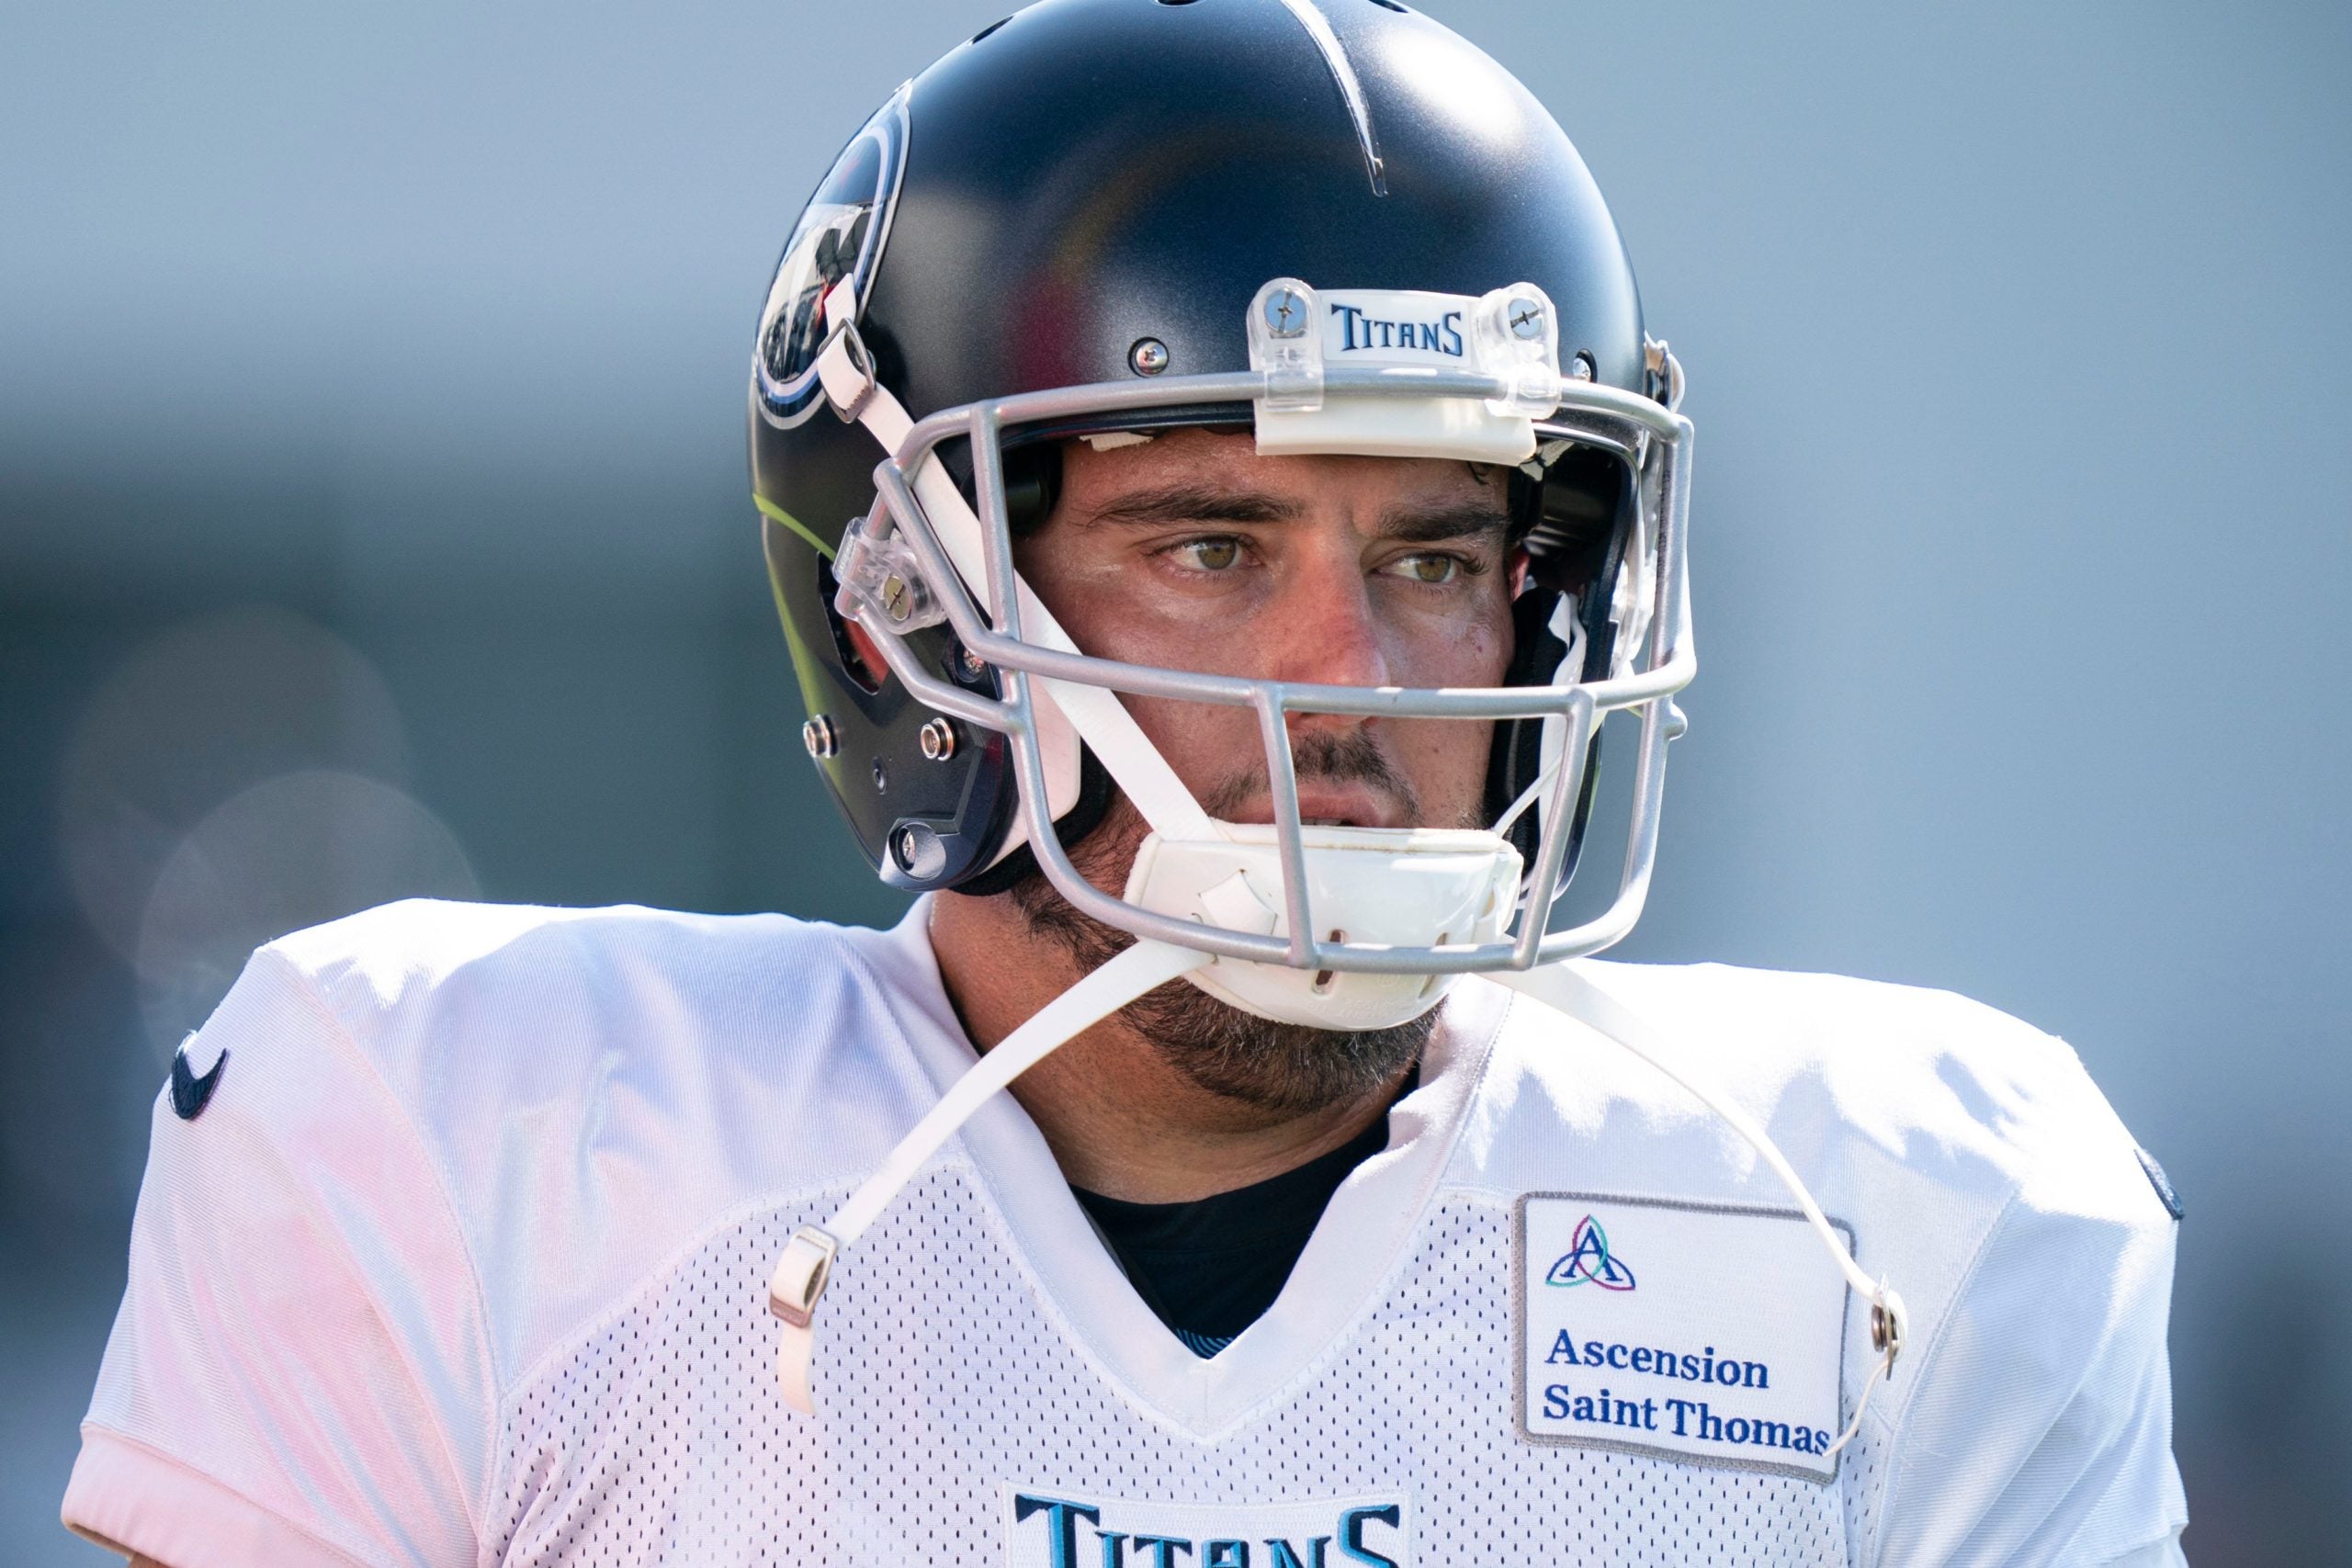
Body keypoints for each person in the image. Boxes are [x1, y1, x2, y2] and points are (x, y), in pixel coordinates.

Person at [63, 1, 2190, 1562]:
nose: (1345, 676)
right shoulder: (476, 1131)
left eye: (1436, 554)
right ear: (912, 608)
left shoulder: (1898, 1221)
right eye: (1208, 546)